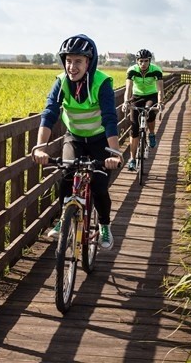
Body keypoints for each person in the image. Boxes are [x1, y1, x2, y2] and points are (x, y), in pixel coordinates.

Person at [32, 34, 122, 250]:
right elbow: (50, 113)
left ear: (89, 63)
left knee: (99, 185)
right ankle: (64, 219)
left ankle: (104, 226)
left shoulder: (102, 83)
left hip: (100, 140)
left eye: (78, 61)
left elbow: (110, 118)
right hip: (74, 138)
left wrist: (114, 153)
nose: (72, 67)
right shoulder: (61, 82)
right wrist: (40, 147)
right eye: (68, 61)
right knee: (66, 174)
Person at [122, 49, 164, 171]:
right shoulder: (132, 71)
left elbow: (160, 90)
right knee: (134, 129)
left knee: (149, 111)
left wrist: (160, 102)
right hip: (136, 96)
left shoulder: (156, 70)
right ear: (137, 61)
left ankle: (151, 133)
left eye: (146, 61)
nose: (143, 64)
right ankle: (132, 159)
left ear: (150, 61)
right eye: (141, 61)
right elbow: (128, 89)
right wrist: (126, 101)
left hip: (151, 95)